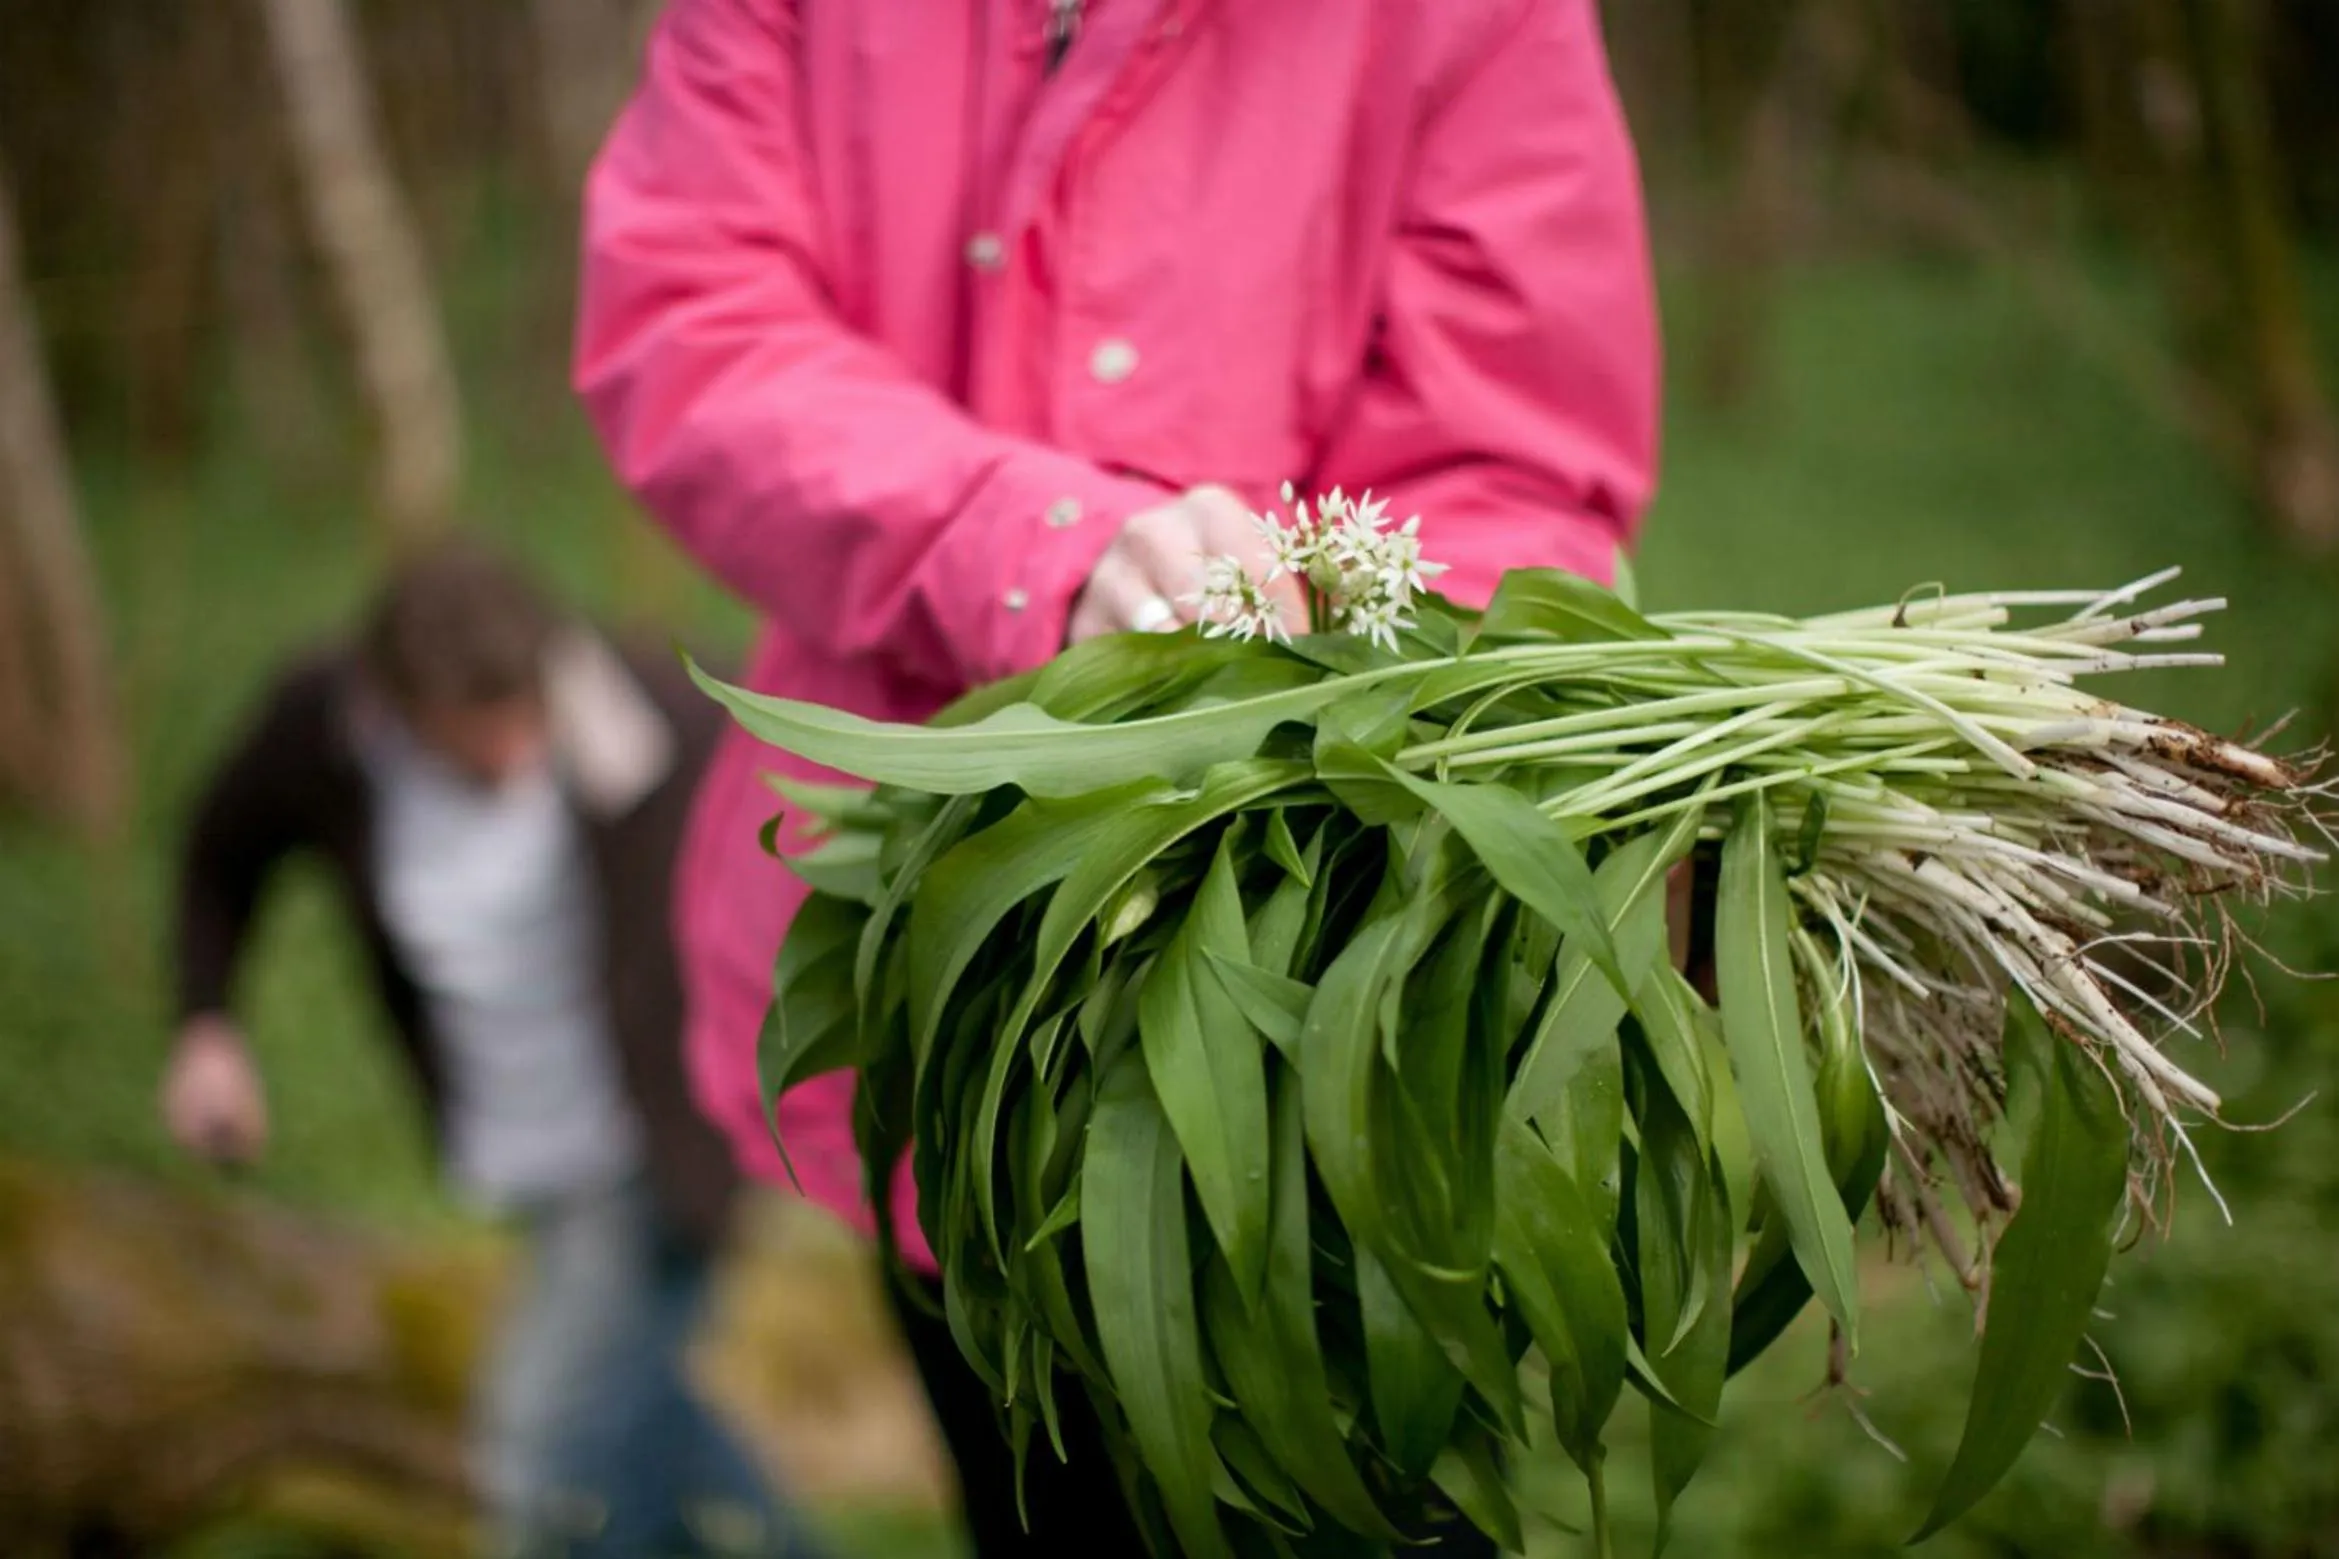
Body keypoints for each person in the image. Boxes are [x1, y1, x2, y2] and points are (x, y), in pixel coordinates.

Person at [575, 1, 1659, 1551]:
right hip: (914, 967)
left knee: (1327, 1493)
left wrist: (1279, 681)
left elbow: (1516, 464)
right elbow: (690, 320)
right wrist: (1030, 550)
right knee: (1035, 1498)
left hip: (1306, 1009)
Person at [159, 540, 824, 1559]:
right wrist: (207, 1025)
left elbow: (803, 857)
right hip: (516, 1144)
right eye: (475, 736)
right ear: (396, 709)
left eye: (525, 719)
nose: (513, 752)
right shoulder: (325, 731)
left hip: (662, 1146)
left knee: (536, 1445)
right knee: (629, 1404)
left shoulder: (657, 719)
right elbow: (220, 851)